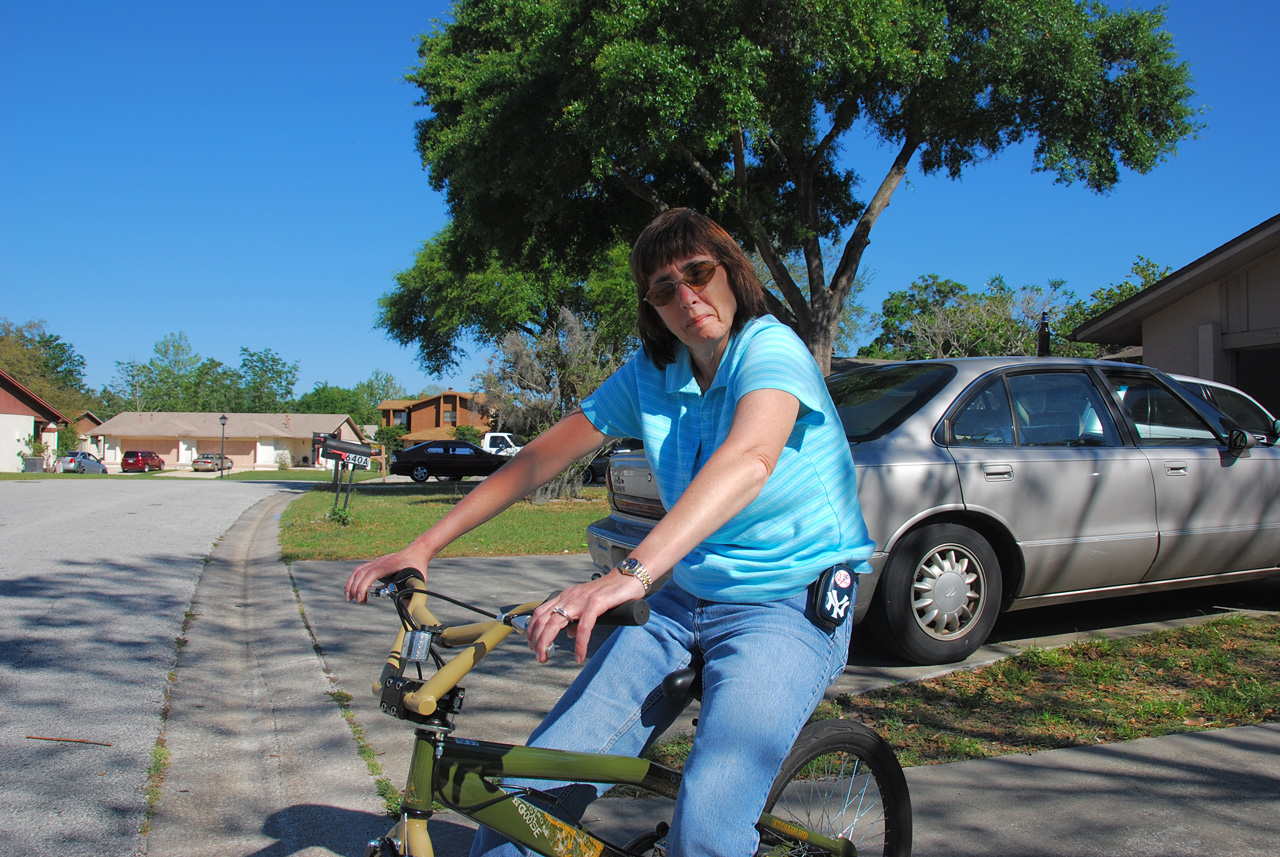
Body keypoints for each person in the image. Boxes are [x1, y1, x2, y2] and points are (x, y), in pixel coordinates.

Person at [344, 208, 874, 856]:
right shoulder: (653, 376)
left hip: (788, 602)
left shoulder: (769, 347)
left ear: (732, 273)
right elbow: (539, 458)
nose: (685, 295)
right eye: (662, 287)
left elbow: (749, 459)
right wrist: (424, 544)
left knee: (706, 832)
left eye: (698, 273)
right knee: (528, 793)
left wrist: (629, 573)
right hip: (686, 597)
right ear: (651, 305)